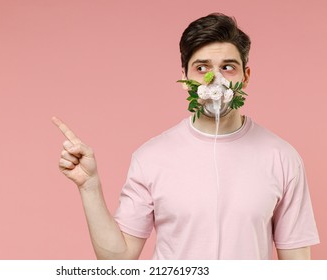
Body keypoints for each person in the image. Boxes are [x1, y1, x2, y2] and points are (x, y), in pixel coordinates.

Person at [52, 13, 319, 259]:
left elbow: (297, 266)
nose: (216, 80)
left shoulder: (282, 158)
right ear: (185, 77)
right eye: (202, 68)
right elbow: (118, 260)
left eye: (228, 67)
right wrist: (90, 187)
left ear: (245, 77)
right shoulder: (151, 157)